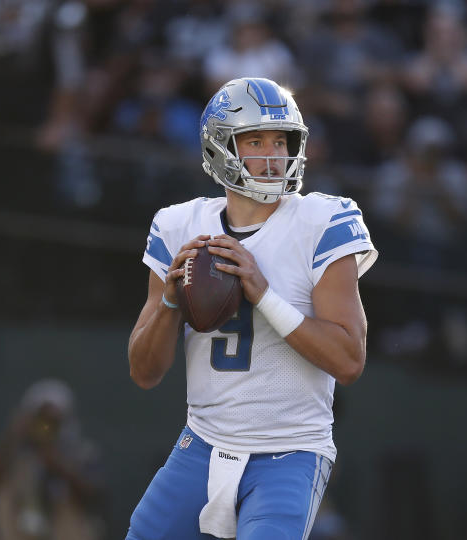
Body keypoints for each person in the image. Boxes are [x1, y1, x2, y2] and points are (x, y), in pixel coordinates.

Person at [126, 77, 377, 539]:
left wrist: (263, 295)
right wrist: (168, 301)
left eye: (281, 141)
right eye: (255, 140)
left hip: (289, 451)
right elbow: (144, 372)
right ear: (221, 148)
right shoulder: (180, 225)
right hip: (200, 443)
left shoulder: (322, 221)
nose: (272, 154)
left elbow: (349, 360)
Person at [0, 379, 106, 540]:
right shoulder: (17, 451)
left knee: (68, 506)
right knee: (4, 496)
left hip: (65, 529)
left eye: (53, 421)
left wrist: (59, 466)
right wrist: (12, 436)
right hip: (23, 526)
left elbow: (95, 494)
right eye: (41, 419)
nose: (46, 427)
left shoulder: (80, 451)